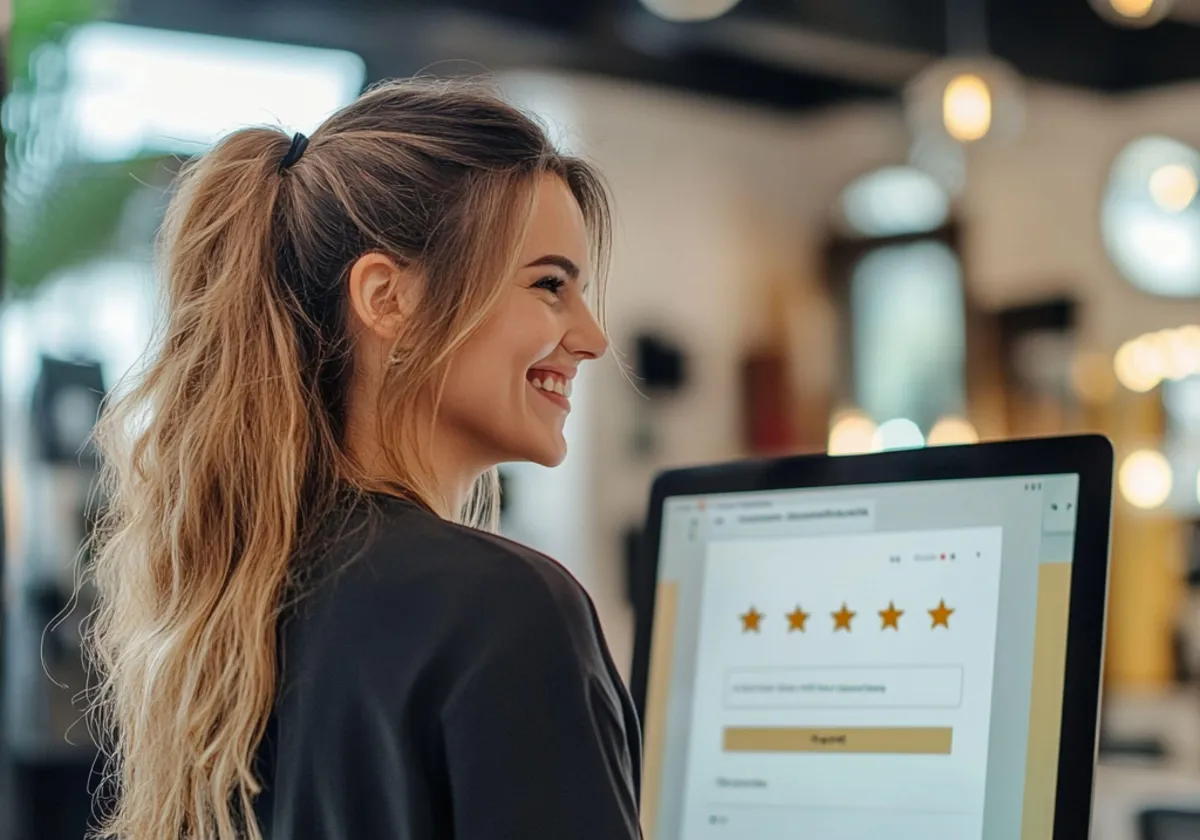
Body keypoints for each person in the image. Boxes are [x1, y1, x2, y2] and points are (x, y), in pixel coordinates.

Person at [84, 78, 641, 840]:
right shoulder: (506, 611)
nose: (592, 337)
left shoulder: (232, 598)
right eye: (550, 285)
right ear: (387, 299)